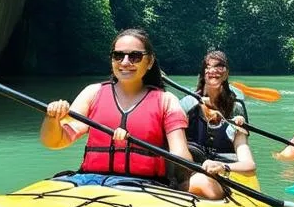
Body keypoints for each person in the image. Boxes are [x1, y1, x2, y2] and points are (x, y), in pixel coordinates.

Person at [39, 30, 243, 198]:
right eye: (118, 55)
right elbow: (57, 142)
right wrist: (52, 119)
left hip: (144, 185)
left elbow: (180, 154)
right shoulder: (92, 93)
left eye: (135, 56)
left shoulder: (165, 100)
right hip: (89, 179)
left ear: (150, 61)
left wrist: (134, 142)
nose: (125, 62)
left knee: (206, 186)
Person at [177, 50, 257, 197]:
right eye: (208, 67)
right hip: (191, 169)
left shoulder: (236, 110)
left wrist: (222, 167)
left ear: (226, 73)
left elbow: (249, 165)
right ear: (202, 73)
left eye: (219, 66)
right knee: (198, 180)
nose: (213, 70)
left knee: (202, 182)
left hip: (223, 175)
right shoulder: (187, 106)